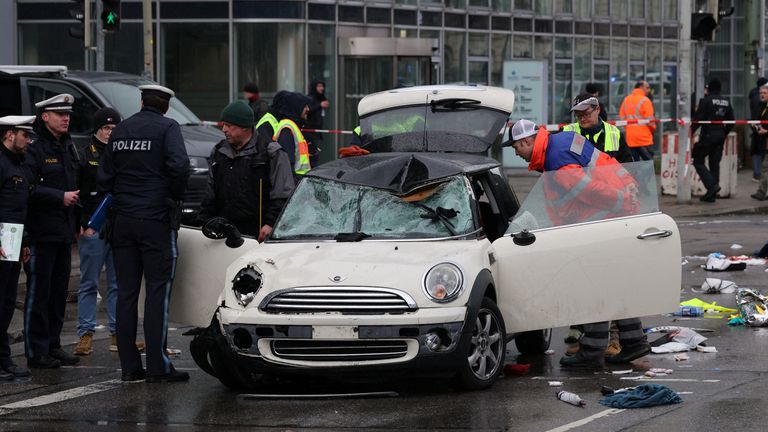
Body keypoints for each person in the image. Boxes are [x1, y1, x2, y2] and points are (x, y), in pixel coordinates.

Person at [506, 119, 650, 368]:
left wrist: (622, 201)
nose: (515, 152)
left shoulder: (556, 158)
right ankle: (634, 341)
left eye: (516, 147)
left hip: (600, 219)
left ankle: (592, 352)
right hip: (609, 216)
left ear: (526, 141)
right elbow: (605, 162)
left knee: (592, 286)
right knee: (610, 283)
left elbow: (589, 190)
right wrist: (627, 187)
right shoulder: (561, 141)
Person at [98, 84, 191, 383]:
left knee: (125, 294)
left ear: (141, 102)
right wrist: (172, 197)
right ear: (165, 106)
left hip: (122, 221)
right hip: (155, 222)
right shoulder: (167, 128)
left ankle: (129, 368)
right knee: (156, 294)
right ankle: (157, 366)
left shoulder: (122, 130)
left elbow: (104, 176)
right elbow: (179, 167)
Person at [73, 107, 145, 356]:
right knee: (89, 282)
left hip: (118, 225)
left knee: (119, 283)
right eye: (105, 128)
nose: (109, 133)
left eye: (114, 129)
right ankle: (85, 334)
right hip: (93, 225)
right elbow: (78, 192)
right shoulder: (85, 156)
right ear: (97, 130)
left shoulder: (121, 153)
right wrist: (81, 223)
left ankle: (119, 334)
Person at [23, 94, 81, 369]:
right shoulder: (34, 147)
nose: (66, 118)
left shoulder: (67, 145)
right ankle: (36, 350)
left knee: (59, 292)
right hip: (40, 231)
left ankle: (53, 345)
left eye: (67, 113)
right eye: (60, 114)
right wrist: (59, 197)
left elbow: (75, 183)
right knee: (40, 292)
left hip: (62, 231)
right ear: (45, 117)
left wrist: (77, 222)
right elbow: (27, 188)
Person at [197, 101, 294, 242]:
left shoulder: (271, 153)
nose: (224, 129)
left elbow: (283, 194)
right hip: (224, 236)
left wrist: (270, 224)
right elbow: (210, 195)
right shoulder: (219, 152)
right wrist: (203, 222)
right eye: (223, 124)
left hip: (257, 237)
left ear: (244, 127)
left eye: (229, 125)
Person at [0, 116, 35, 381]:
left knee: (7, 302)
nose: (29, 140)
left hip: (12, 240)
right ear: (10, 134)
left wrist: (23, 243)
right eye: (25, 135)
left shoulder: (18, 163)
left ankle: (4, 359)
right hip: (1, 241)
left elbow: (19, 208)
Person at [693, 78, 735, 203]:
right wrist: (724, 132)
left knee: (698, 160)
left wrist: (689, 132)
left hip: (707, 136)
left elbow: (697, 119)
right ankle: (712, 195)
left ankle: (712, 186)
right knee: (714, 164)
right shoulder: (726, 101)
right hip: (720, 136)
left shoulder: (705, 101)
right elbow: (731, 121)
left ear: (709, 89)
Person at [563, 93, 632, 163]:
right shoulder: (566, 133)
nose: (582, 119)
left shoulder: (615, 134)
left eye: (586, 114)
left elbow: (628, 166)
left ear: (597, 109)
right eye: (578, 116)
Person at [270, 91, 312, 178]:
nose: (308, 109)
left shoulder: (292, 126)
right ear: (297, 108)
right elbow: (287, 166)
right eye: (305, 106)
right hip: (295, 184)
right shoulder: (287, 129)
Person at [619, 80, 656, 161]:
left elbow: (622, 118)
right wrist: (652, 130)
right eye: (647, 87)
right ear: (641, 87)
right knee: (648, 166)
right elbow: (651, 122)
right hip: (644, 139)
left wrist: (629, 128)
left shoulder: (626, 100)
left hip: (630, 139)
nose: (648, 90)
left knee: (634, 167)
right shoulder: (645, 100)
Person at [305, 79, 330, 167]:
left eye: (322, 86)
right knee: (312, 154)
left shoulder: (321, 97)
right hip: (309, 131)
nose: (321, 88)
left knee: (315, 153)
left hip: (316, 132)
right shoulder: (310, 98)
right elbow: (308, 110)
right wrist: (320, 105)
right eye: (319, 86)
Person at [751, 85, 768, 201]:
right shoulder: (762, 106)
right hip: (764, 141)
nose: (761, 95)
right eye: (760, 92)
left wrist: (766, 131)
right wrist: (756, 126)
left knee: (765, 168)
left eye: (764, 93)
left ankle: (761, 192)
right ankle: (761, 192)